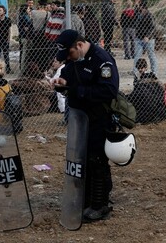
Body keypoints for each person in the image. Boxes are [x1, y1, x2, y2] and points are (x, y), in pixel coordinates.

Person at [50, 29, 119, 222]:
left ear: (79, 45)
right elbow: (68, 74)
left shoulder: (102, 59)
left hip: (99, 119)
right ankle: (85, 198)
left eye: (70, 53)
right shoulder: (75, 60)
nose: (68, 58)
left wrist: (76, 90)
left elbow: (109, 90)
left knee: (97, 160)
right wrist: (62, 82)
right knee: (82, 158)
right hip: (79, 119)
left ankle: (99, 204)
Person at [133, 0, 158, 78]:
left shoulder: (149, 15)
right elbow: (135, 15)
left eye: (140, 7)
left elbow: (152, 27)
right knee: (137, 56)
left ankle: (154, 72)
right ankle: (136, 72)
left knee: (151, 55)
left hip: (148, 39)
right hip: (139, 38)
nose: (139, 9)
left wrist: (148, 36)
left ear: (143, 7)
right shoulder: (138, 14)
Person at [0, 5, 12, 74]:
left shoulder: (8, 20)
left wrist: (9, 38)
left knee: (6, 55)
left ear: (4, 11)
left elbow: (9, 30)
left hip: (5, 40)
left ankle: (8, 68)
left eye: (0, 10)